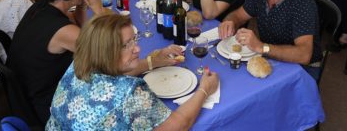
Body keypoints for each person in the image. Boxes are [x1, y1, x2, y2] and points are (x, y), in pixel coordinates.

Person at [46, 14, 218, 130]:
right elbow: (179, 125)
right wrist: (204, 89)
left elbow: (112, 74)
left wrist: (154, 61)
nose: (137, 48)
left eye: (134, 40)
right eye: (126, 45)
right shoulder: (131, 92)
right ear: (105, 51)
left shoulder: (78, 63)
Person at [7, 0, 109, 124]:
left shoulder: (42, 6)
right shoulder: (62, 32)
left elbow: (78, 30)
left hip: (26, 88)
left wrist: (81, 7)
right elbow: (103, 52)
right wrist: (99, 11)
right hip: (45, 103)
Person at [218, 0, 322, 80]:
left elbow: (304, 55)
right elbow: (238, 16)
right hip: (269, 56)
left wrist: (261, 47)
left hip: (302, 69)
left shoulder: (302, 3)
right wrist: (229, 22)